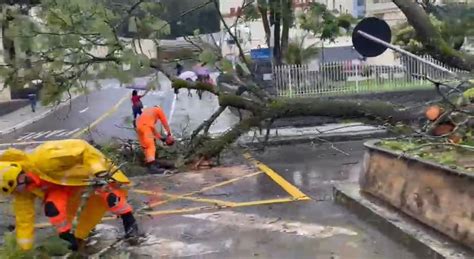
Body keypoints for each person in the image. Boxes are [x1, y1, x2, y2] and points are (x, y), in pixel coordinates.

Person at [0, 139, 139, 252]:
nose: (18, 192)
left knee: (110, 197)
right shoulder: (23, 191)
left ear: (19, 174)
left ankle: (129, 221)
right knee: (53, 209)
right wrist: (24, 250)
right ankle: (69, 236)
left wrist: (99, 171)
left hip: (92, 172)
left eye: (17, 188)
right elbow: (24, 221)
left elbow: (83, 148)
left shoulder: (45, 157)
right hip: (63, 186)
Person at [135, 106, 174, 174]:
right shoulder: (158, 110)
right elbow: (164, 122)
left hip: (139, 127)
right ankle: (152, 167)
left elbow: (152, 129)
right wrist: (169, 133)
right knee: (151, 146)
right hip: (145, 127)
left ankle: (149, 163)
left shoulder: (148, 111)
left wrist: (160, 138)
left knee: (145, 146)